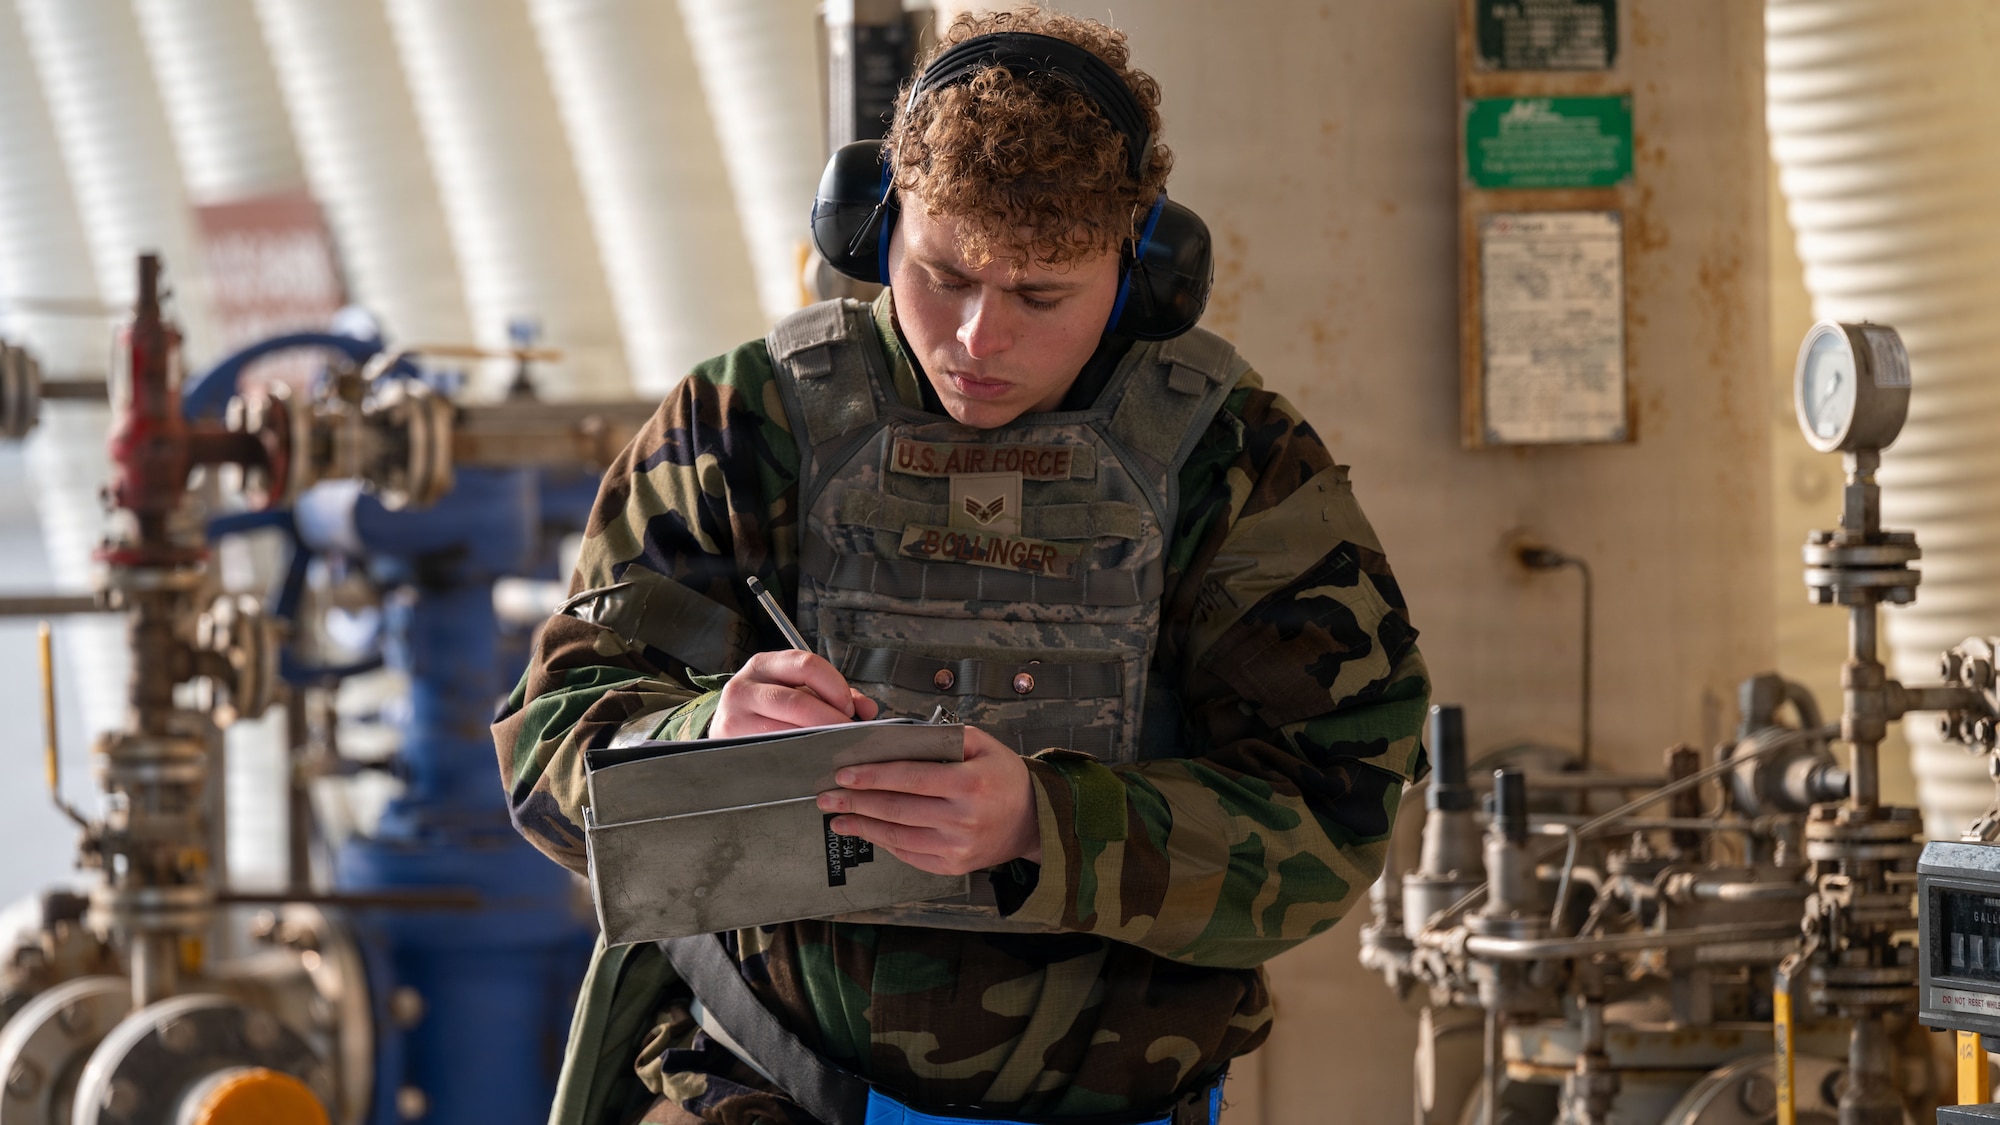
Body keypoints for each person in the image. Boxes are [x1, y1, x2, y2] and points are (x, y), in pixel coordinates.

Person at [494, 9, 1430, 1125]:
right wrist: (702, 736)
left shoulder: (1231, 464)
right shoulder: (748, 425)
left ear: (1141, 273)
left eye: (1040, 296)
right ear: (870, 226)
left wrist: (1047, 824)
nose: (977, 341)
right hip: (758, 1089)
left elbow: (1338, 814)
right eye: (940, 275)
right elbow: (548, 755)